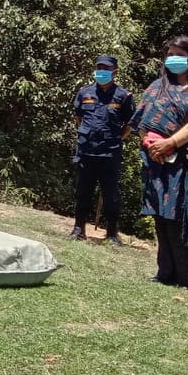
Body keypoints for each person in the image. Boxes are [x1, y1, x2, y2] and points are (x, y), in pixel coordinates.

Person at [132, 35, 188, 289]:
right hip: (156, 159)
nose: (173, 58)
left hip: (186, 161)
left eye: (179, 54)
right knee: (160, 214)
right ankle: (164, 272)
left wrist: (171, 142)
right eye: (170, 54)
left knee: (182, 215)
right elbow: (141, 119)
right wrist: (151, 144)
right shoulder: (157, 86)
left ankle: (186, 277)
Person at [69, 55, 135, 244]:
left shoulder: (123, 96)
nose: (101, 71)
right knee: (82, 192)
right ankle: (78, 229)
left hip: (110, 153)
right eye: (99, 67)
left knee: (111, 195)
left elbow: (130, 124)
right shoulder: (84, 92)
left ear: (115, 72)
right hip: (86, 151)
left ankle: (112, 234)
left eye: (106, 68)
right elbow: (79, 118)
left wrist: (115, 139)